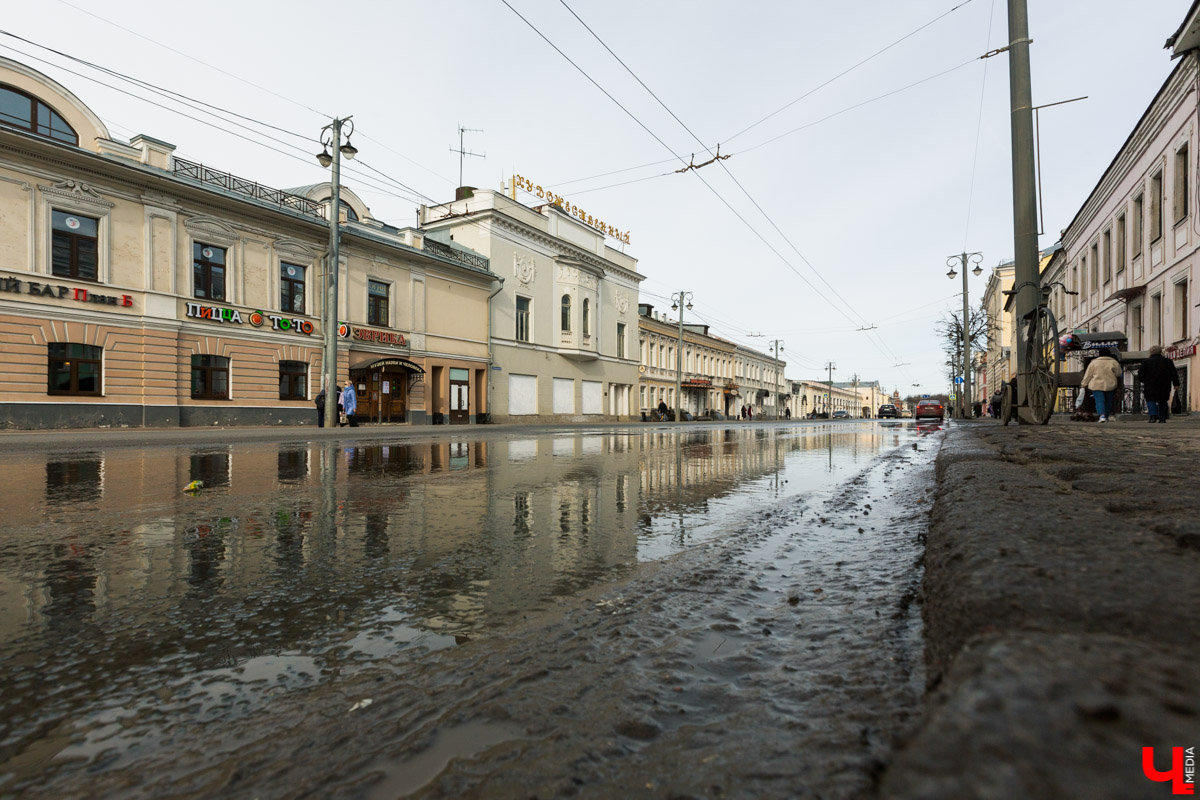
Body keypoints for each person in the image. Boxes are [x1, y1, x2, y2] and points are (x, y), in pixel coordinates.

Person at [1137, 344, 1180, 423]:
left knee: (1151, 400)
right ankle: (1162, 418)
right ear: (1160, 352)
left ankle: (1153, 416)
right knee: (1163, 400)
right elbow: (1174, 373)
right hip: (1164, 384)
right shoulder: (1168, 362)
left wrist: (1143, 380)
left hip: (1150, 385)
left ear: (1151, 352)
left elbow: (1141, 374)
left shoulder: (1146, 362)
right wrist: (1176, 384)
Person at [1081, 348, 1122, 423]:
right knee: (1108, 401)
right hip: (1110, 385)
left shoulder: (1094, 363)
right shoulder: (1114, 362)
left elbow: (1088, 375)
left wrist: (1084, 384)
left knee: (1099, 400)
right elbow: (1118, 373)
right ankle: (1106, 416)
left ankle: (1102, 415)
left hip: (1097, 385)